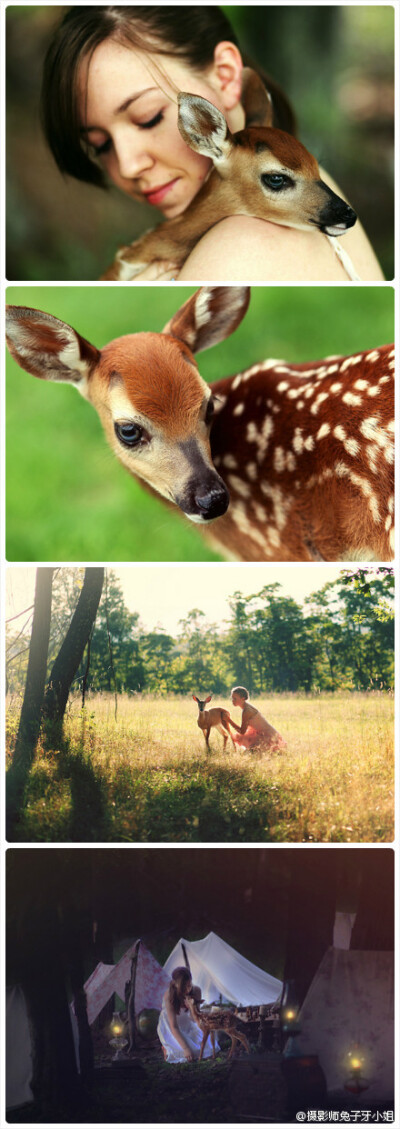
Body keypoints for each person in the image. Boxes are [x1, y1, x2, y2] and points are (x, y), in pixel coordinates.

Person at [40, 6, 384, 282]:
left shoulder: (242, 247)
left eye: (149, 118)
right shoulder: (304, 182)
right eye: (100, 145)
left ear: (226, 75)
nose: (128, 165)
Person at [157, 967, 215, 1063]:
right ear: (175, 984)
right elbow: (174, 1027)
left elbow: (194, 1019)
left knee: (205, 1049)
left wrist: (192, 1008)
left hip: (188, 1022)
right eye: (184, 987)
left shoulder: (196, 991)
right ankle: (167, 1047)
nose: (188, 990)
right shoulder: (169, 997)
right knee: (188, 1053)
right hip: (171, 1025)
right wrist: (186, 1048)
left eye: (189, 985)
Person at [230, 686, 285, 752]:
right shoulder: (246, 706)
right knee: (246, 749)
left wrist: (229, 720)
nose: (232, 701)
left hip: (268, 736)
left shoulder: (247, 711)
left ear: (243, 698)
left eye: (235, 699)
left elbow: (242, 731)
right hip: (259, 733)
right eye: (232, 698)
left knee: (249, 753)